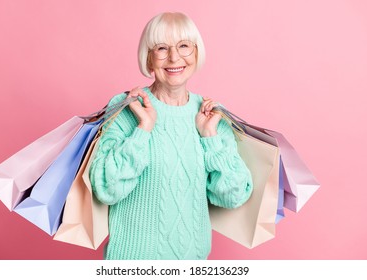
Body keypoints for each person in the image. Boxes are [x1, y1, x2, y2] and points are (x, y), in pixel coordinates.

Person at [89, 12, 253, 260]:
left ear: (196, 53)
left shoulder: (210, 116)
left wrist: (209, 137)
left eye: (184, 46)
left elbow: (234, 195)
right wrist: (143, 129)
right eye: (162, 48)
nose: (175, 57)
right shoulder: (127, 108)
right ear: (149, 58)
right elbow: (106, 188)